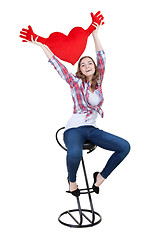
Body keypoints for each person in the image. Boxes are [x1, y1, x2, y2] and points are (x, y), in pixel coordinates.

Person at [20, 23, 130, 197]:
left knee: (124, 147)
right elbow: (57, 65)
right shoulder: (75, 82)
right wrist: (42, 45)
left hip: (92, 130)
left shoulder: (98, 83)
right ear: (80, 70)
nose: (87, 66)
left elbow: (101, 57)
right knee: (75, 154)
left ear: (94, 67)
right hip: (74, 129)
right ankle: (72, 182)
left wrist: (94, 34)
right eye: (83, 65)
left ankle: (100, 178)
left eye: (89, 63)